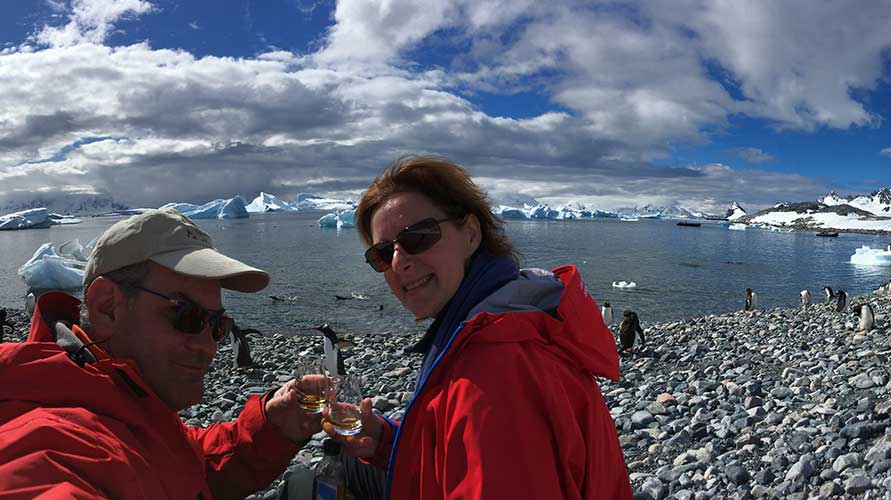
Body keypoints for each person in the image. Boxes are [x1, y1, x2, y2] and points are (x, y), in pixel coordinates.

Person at [326, 156, 633, 499]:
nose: (399, 262)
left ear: (470, 234)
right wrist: (386, 443)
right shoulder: (510, 319)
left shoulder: (493, 372)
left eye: (419, 237)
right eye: (382, 254)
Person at [0, 208, 326, 499]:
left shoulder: (128, 402)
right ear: (107, 307)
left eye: (217, 324)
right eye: (186, 316)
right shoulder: (56, 446)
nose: (209, 346)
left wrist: (273, 426)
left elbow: (183, 468)